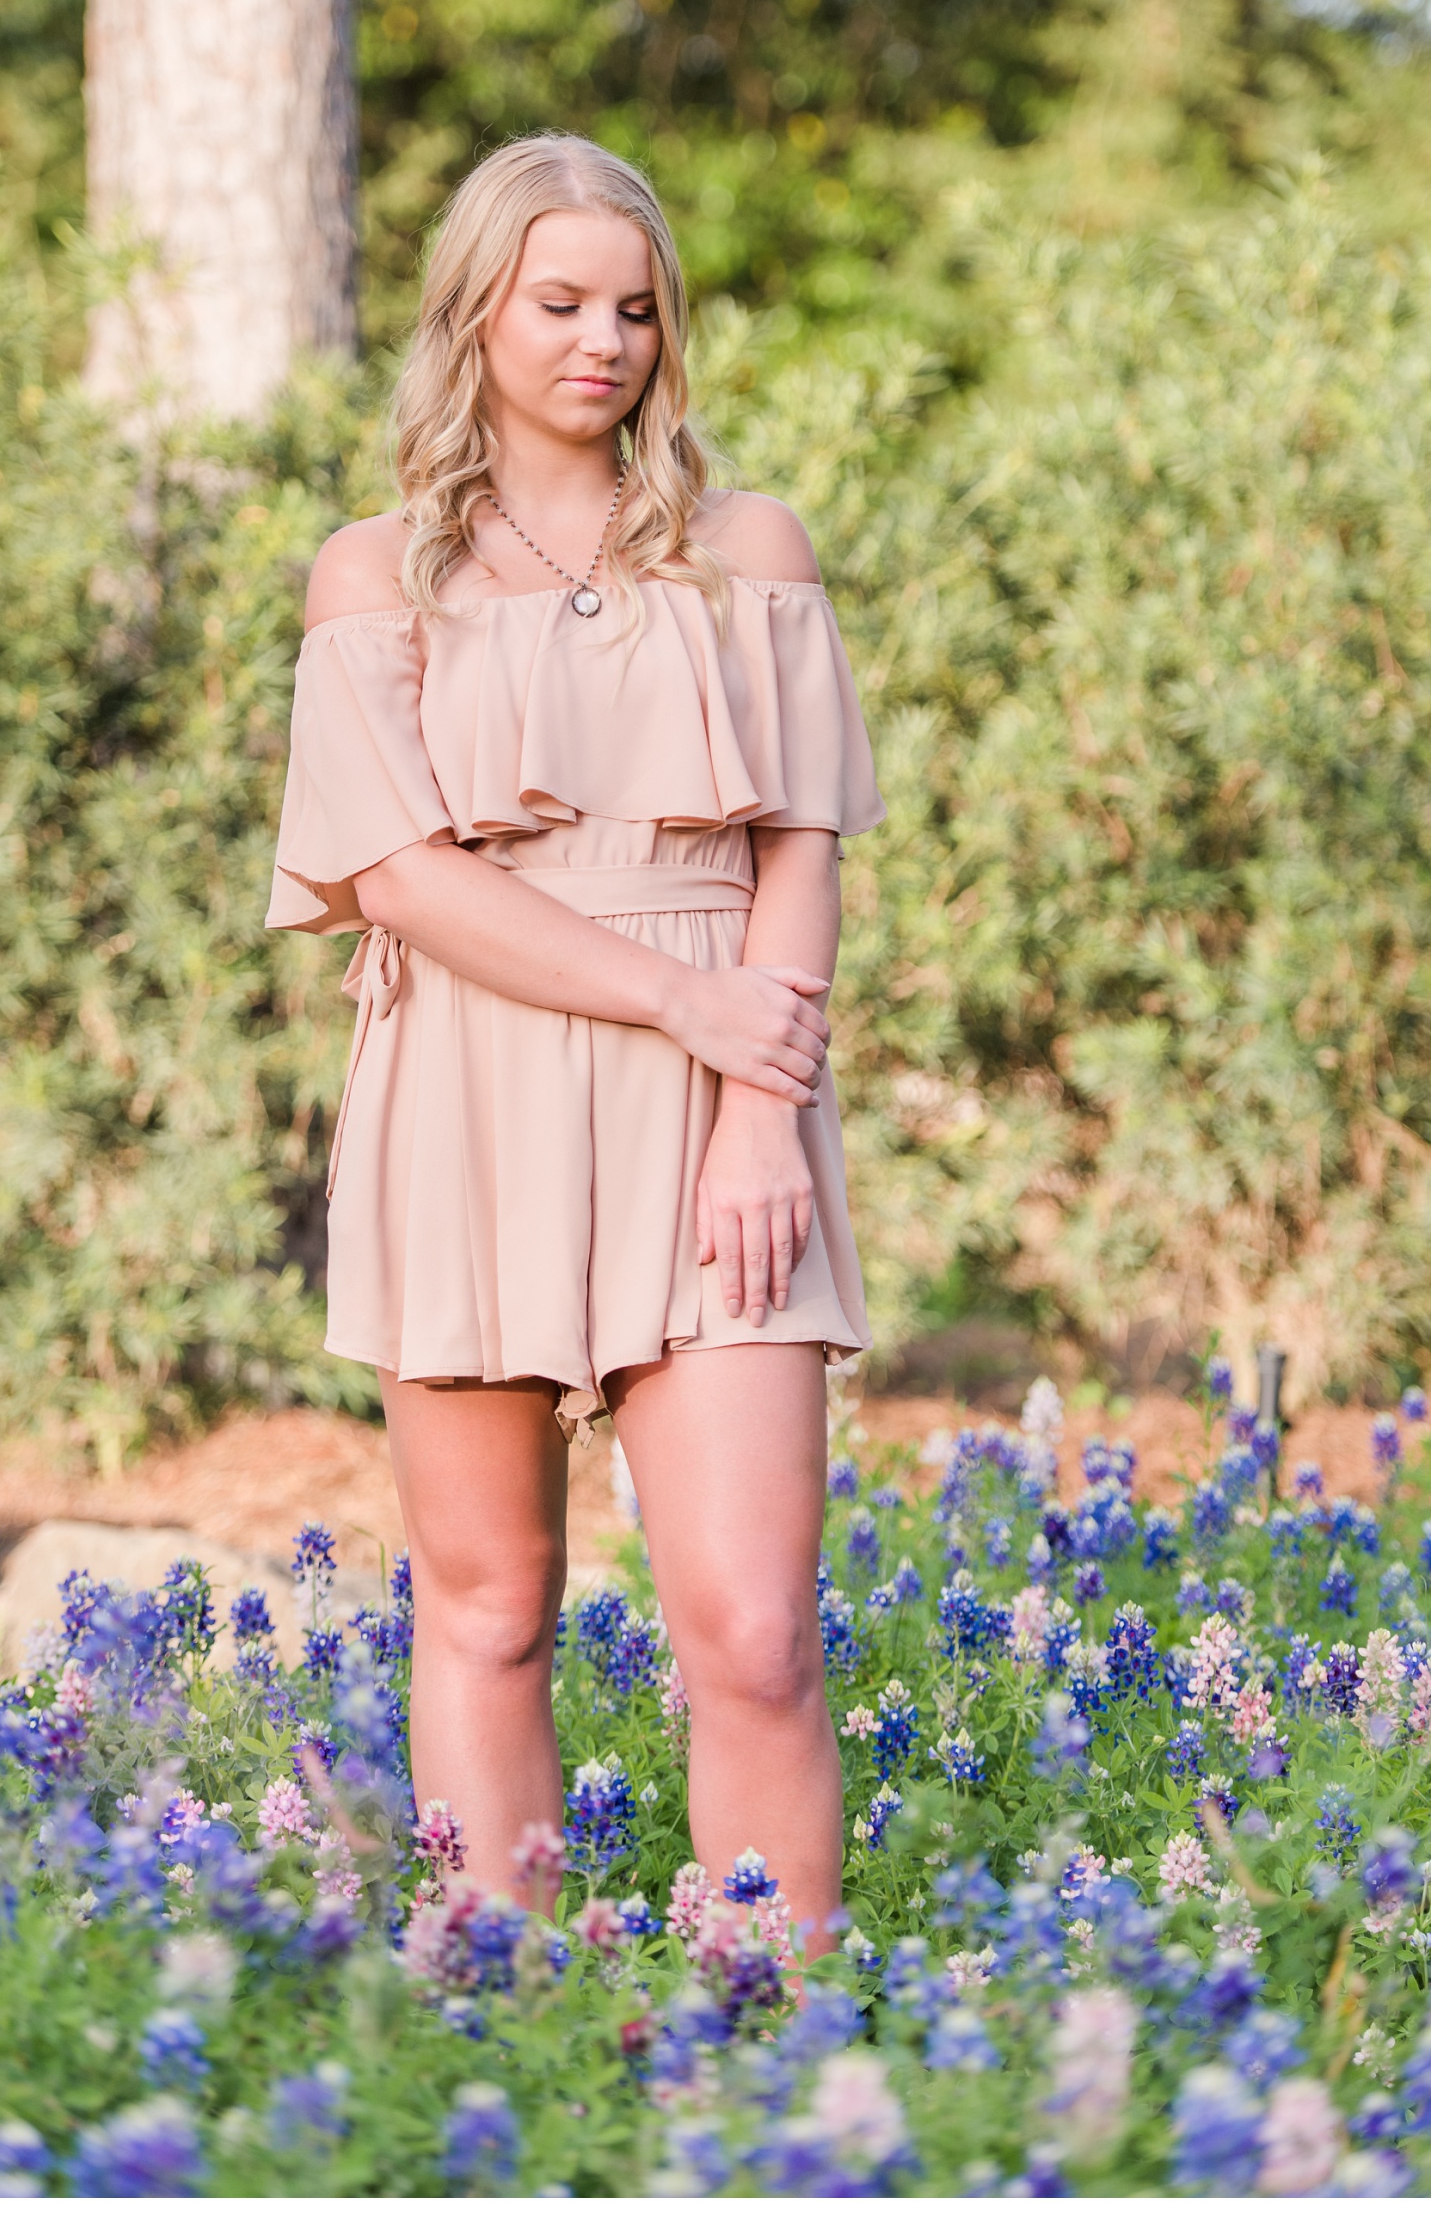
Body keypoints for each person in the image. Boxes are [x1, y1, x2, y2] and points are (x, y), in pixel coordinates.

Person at [268, 132, 883, 1937]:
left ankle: (771, 2047)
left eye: (634, 307)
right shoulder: (374, 575)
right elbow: (404, 877)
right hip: (468, 1083)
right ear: (476, 311)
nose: (601, 340)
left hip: (726, 1105)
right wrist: (686, 1001)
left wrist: (757, 1101)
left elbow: (801, 842)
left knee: (755, 1626)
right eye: (559, 302)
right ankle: (502, 2040)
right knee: (487, 1604)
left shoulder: (745, 546)